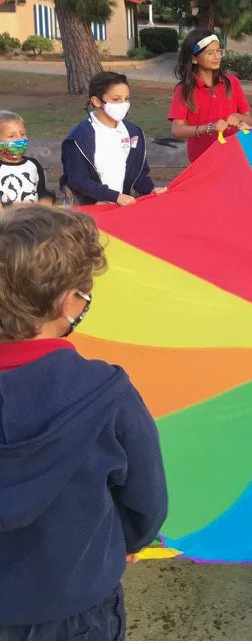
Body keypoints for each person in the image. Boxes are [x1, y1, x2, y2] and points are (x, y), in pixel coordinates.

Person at [0, 205, 167, 641]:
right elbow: (146, 493)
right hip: (78, 609)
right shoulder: (107, 393)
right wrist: (132, 539)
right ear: (66, 302)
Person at [61, 73, 164, 207]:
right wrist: (115, 196)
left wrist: (151, 189)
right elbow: (78, 180)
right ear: (96, 101)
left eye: (126, 99)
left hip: (119, 210)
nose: (123, 104)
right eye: (116, 99)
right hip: (87, 212)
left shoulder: (133, 133)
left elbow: (139, 174)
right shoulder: (79, 137)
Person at [169, 29, 252, 163]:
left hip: (234, 158)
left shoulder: (232, 82)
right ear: (195, 59)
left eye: (218, 51)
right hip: (202, 162)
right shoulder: (183, 90)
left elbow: (249, 120)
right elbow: (177, 130)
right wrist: (208, 128)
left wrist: (239, 118)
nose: (217, 56)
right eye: (210, 53)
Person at [0, 110, 55, 207]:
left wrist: (47, 200)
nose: (19, 139)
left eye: (22, 134)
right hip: (7, 220)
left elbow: (42, 192)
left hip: (32, 219)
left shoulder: (32, 165)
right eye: (11, 136)